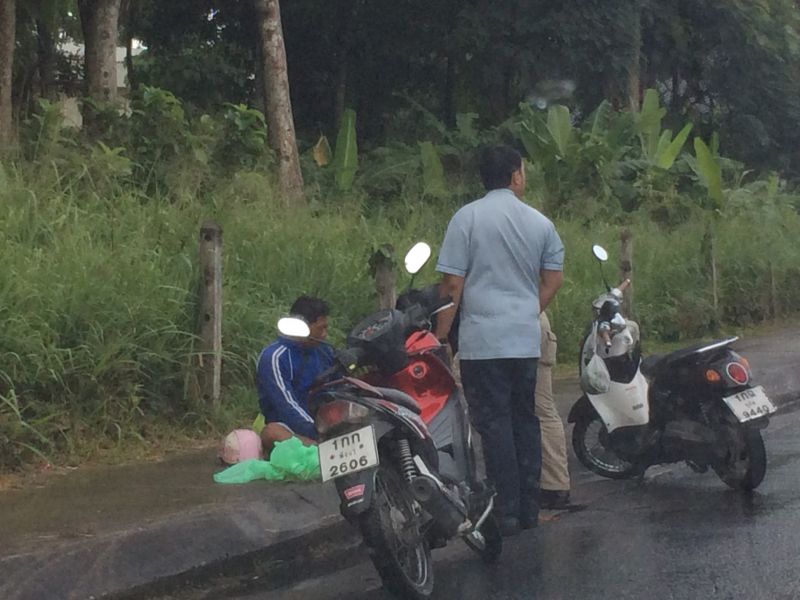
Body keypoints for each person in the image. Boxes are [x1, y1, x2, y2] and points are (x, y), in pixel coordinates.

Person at [434, 144, 564, 536]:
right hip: (524, 340)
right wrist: (526, 311)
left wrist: (440, 336)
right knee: (526, 420)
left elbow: (452, 284)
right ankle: (528, 507)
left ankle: (503, 510)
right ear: (515, 176)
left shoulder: (466, 219)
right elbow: (552, 279)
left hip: (482, 343)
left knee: (494, 425)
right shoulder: (541, 223)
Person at [256, 295, 334, 457]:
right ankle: (326, 452)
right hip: (293, 428)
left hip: (325, 424)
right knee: (272, 433)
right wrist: (317, 433)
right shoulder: (274, 357)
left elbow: (339, 388)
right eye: (321, 328)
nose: (325, 334)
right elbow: (286, 406)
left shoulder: (324, 351)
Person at [535, 312, 575, 510]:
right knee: (540, 411)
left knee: (541, 411)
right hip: (528, 323)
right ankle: (552, 484)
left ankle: (554, 486)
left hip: (518, 328)